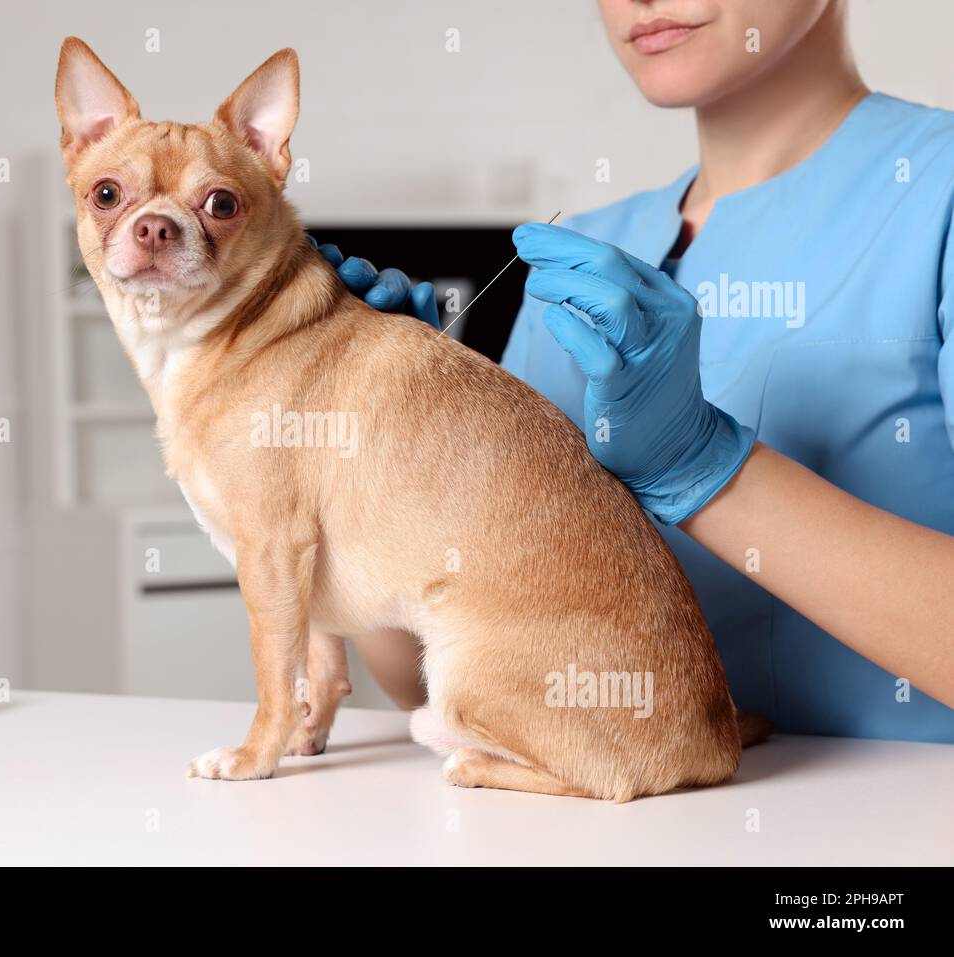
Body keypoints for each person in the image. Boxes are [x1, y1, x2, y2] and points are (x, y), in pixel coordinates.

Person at [321, 0, 954, 741]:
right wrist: (383, 440)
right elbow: (419, 679)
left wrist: (703, 464)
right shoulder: (585, 252)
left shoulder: (933, 194)